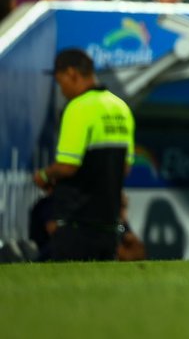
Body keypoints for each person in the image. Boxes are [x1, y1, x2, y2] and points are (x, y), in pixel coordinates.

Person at [33, 48, 135, 261]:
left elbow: (67, 166)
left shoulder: (77, 108)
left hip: (76, 223)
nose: (61, 90)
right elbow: (125, 168)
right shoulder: (121, 108)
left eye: (60, 81)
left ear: (71, 73)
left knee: (67, 281)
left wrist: (43, 175)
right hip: (109, 224)